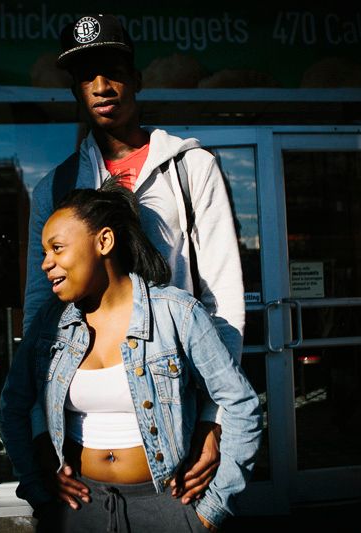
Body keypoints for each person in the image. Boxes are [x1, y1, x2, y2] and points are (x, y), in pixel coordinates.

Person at [22, 13, 246, 505]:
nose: (102, 86)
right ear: (74, 90)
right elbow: (39, 315)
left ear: (137, 79)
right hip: (81, 434)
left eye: (114, 70)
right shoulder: (56, 188)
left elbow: (223, 298)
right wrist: (43, 434)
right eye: (87, 76)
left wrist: (214, 419)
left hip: (176, 417)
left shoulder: (191, 169)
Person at [0, 182, 261, 532]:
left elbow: (242, 404)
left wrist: (212, 509)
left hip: (167, 506)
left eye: (57, 248)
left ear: (104, 241)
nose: (47, 263)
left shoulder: (177, 314)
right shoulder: (51, 323)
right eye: (45, 252)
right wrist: (36, 487)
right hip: (76, 509)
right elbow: (12, 407)